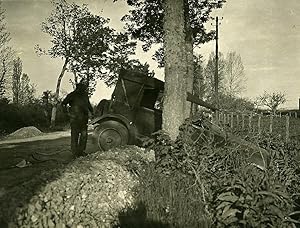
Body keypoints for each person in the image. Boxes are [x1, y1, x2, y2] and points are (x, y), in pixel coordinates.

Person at [61, 81, 93, 158]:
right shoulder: (72, 95)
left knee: (84, 135)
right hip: (75, 119)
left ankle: (81, 152)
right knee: (75, 135)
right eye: (82, 87)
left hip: (83, 119)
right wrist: (66, 113)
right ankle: (75, 153)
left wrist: (92, 112)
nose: (83, 89)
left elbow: (88, 105)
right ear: (78, 87)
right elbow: (63, 103)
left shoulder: (85, 95)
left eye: (83, 88)